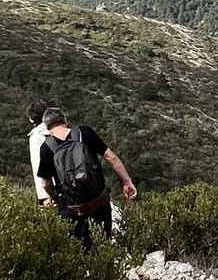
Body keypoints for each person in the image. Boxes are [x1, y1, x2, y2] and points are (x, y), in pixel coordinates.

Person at [37, 108, 138, 247]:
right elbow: (111, 158)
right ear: (65, 121)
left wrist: (54, 198)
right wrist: (127, 181)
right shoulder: (84, 133)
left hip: (72, 209)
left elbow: (45, 184)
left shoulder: (46, 148)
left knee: (78, 251)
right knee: (103, 245)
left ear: (47, 128)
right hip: (99, 202)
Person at [27, 101, 54, 207]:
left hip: (50, 191)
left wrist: (44, 195)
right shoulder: (58, 129)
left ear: (31, 119)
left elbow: (38, 166)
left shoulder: (36, 137)